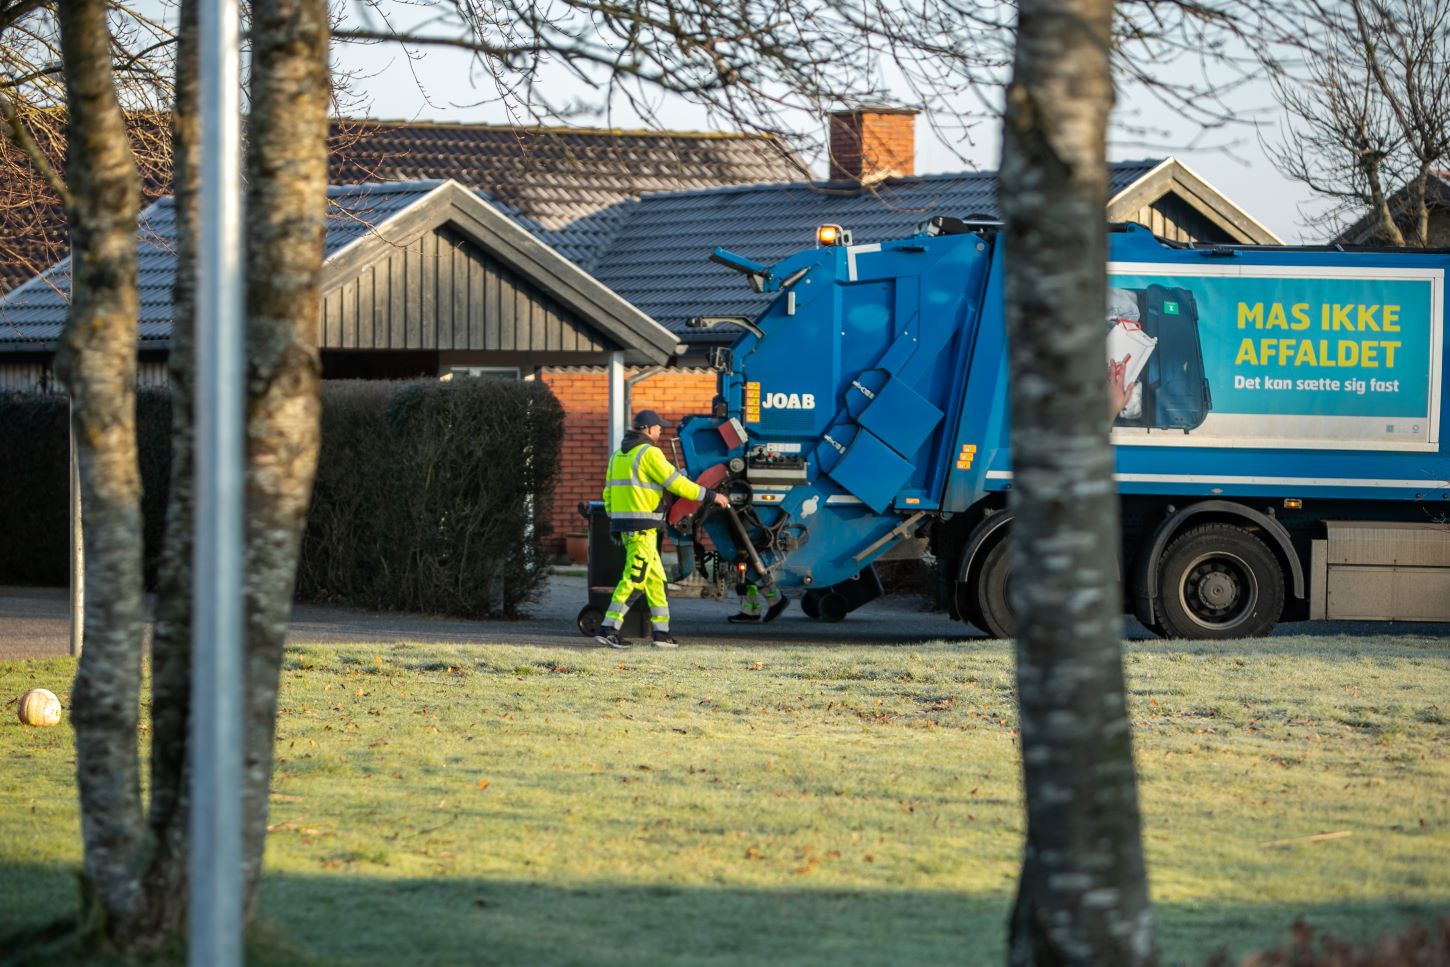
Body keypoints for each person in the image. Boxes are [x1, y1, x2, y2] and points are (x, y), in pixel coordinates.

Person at [595, 410, 729, 649]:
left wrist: (615, 522)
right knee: (635, 579)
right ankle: (608, 629)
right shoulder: (649, 453)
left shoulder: (618, 456)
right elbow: (676, 483)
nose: (660, 431)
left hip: (629, 528)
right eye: (658, 428)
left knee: (656, 580)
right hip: (643, 529)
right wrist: (711, 495)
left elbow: (608, 493)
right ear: (647, 429)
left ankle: (661, 633)